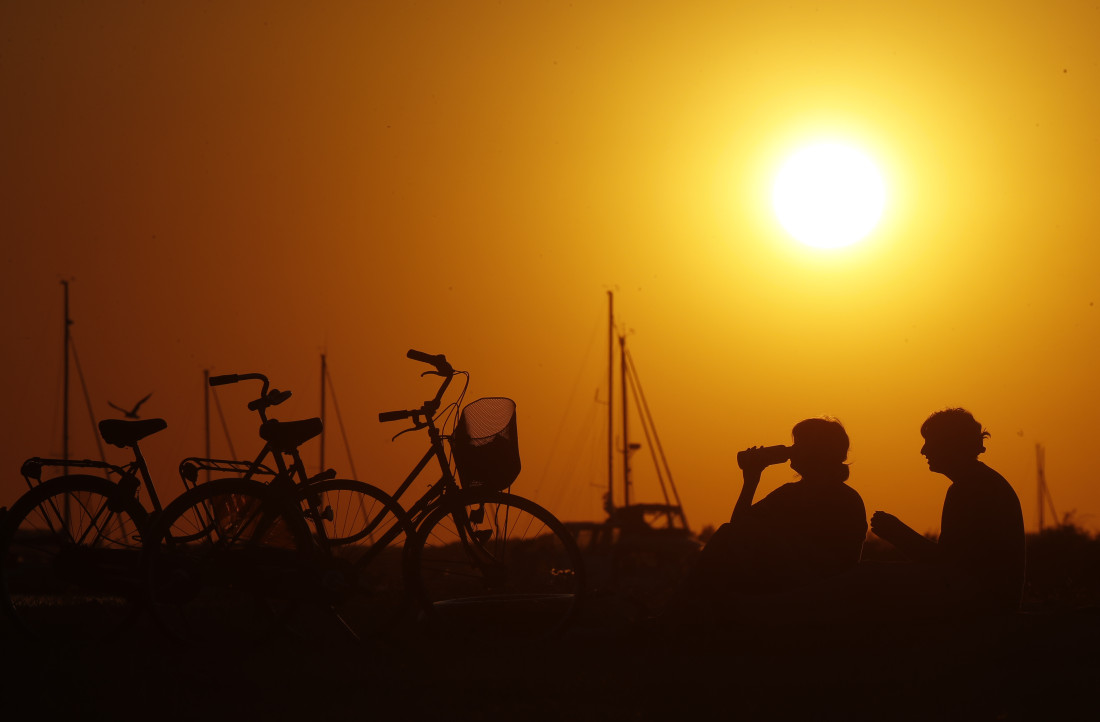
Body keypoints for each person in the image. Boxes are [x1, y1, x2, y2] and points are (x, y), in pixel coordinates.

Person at [677, 417, 867, 607]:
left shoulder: (844, 499)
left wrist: (775, 542)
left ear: (817, 452)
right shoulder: (789, 493)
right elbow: (737, 531)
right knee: (725, 534)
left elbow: (836, 562)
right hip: (781, 580)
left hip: (815, 591)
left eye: (800, 444)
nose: (792, 449)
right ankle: (685, 609)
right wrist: (751, 481)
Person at [870, 408, 1026, 615]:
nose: (923, 451)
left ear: (949, 445)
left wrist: (898, 533)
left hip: (983, 603)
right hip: (990, 597)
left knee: (869, 577)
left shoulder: (971, 488)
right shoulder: (978, 482)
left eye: (930, 442)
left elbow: (946, 563)